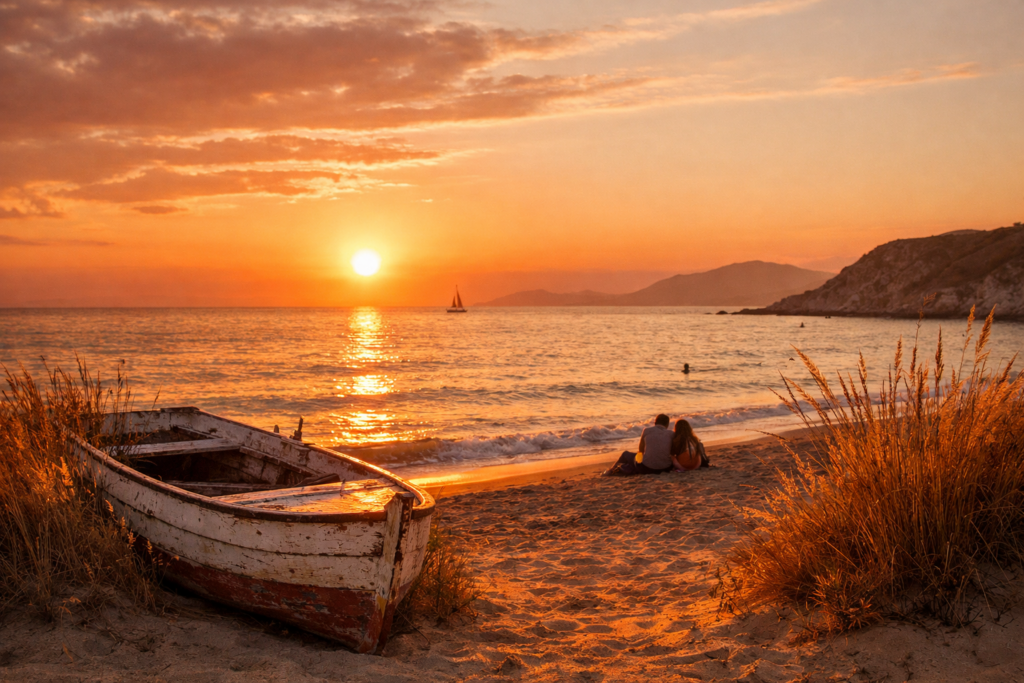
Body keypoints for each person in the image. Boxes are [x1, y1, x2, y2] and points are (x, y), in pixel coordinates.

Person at [604, 414, 675, 476]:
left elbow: (641, 450)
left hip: (646, 468)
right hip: (666, 468)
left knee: (625, 454)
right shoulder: (671, 434)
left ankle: (610, 471)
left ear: (655, 422)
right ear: (667, 424)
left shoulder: (646, 430)